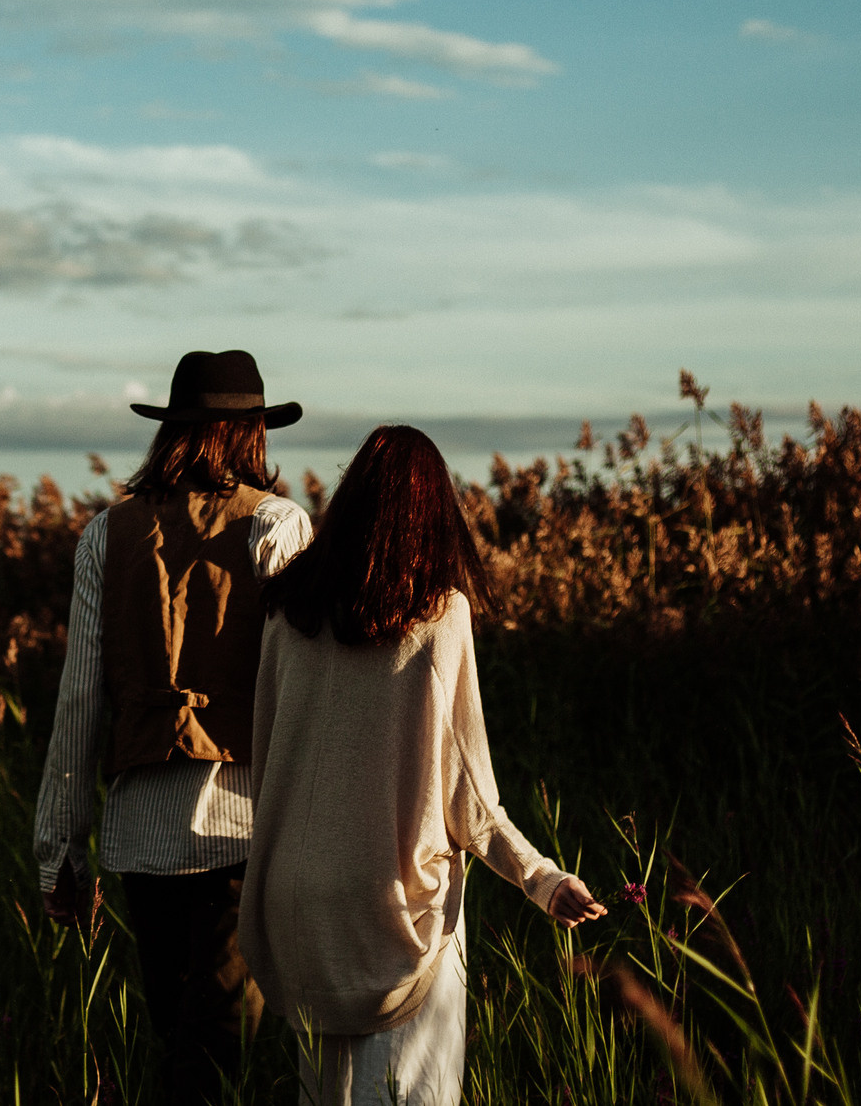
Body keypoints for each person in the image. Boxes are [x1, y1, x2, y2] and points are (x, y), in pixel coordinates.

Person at [239, 424, 606, 1106]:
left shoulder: (286, 612)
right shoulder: (439, 614)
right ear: (434, 514)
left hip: (296, 903)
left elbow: (265, 757)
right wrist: (541, 878)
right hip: (392, 908)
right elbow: (469, 795)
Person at [34, 349, 316, 1106]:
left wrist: (60, 849)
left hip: (139, 834)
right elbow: (302, 691)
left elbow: (79, 700)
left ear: (173, 430)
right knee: (218, 1058)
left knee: (179, 1046)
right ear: (252, 431)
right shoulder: (278, 525)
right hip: (243, 827)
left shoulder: (106, 533)